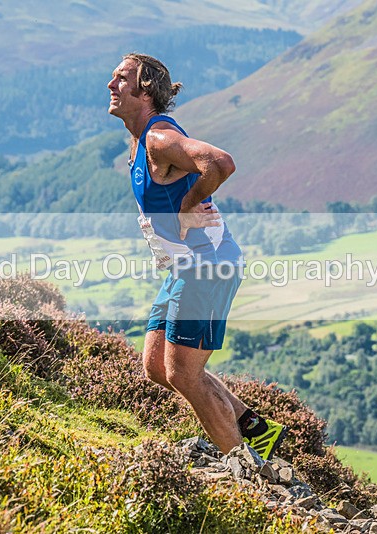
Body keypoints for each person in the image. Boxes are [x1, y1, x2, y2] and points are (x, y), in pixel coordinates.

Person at [107, 53, 287, 460]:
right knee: (156, 367)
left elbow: (220, 163)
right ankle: (255, 428)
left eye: (121, 78)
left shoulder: (158, 138)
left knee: (183, 374)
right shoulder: (140, 140)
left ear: (145, 91)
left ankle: (247, 473)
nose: (111, 85)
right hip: (184, 268)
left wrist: (189, 206)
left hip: (207, 265)